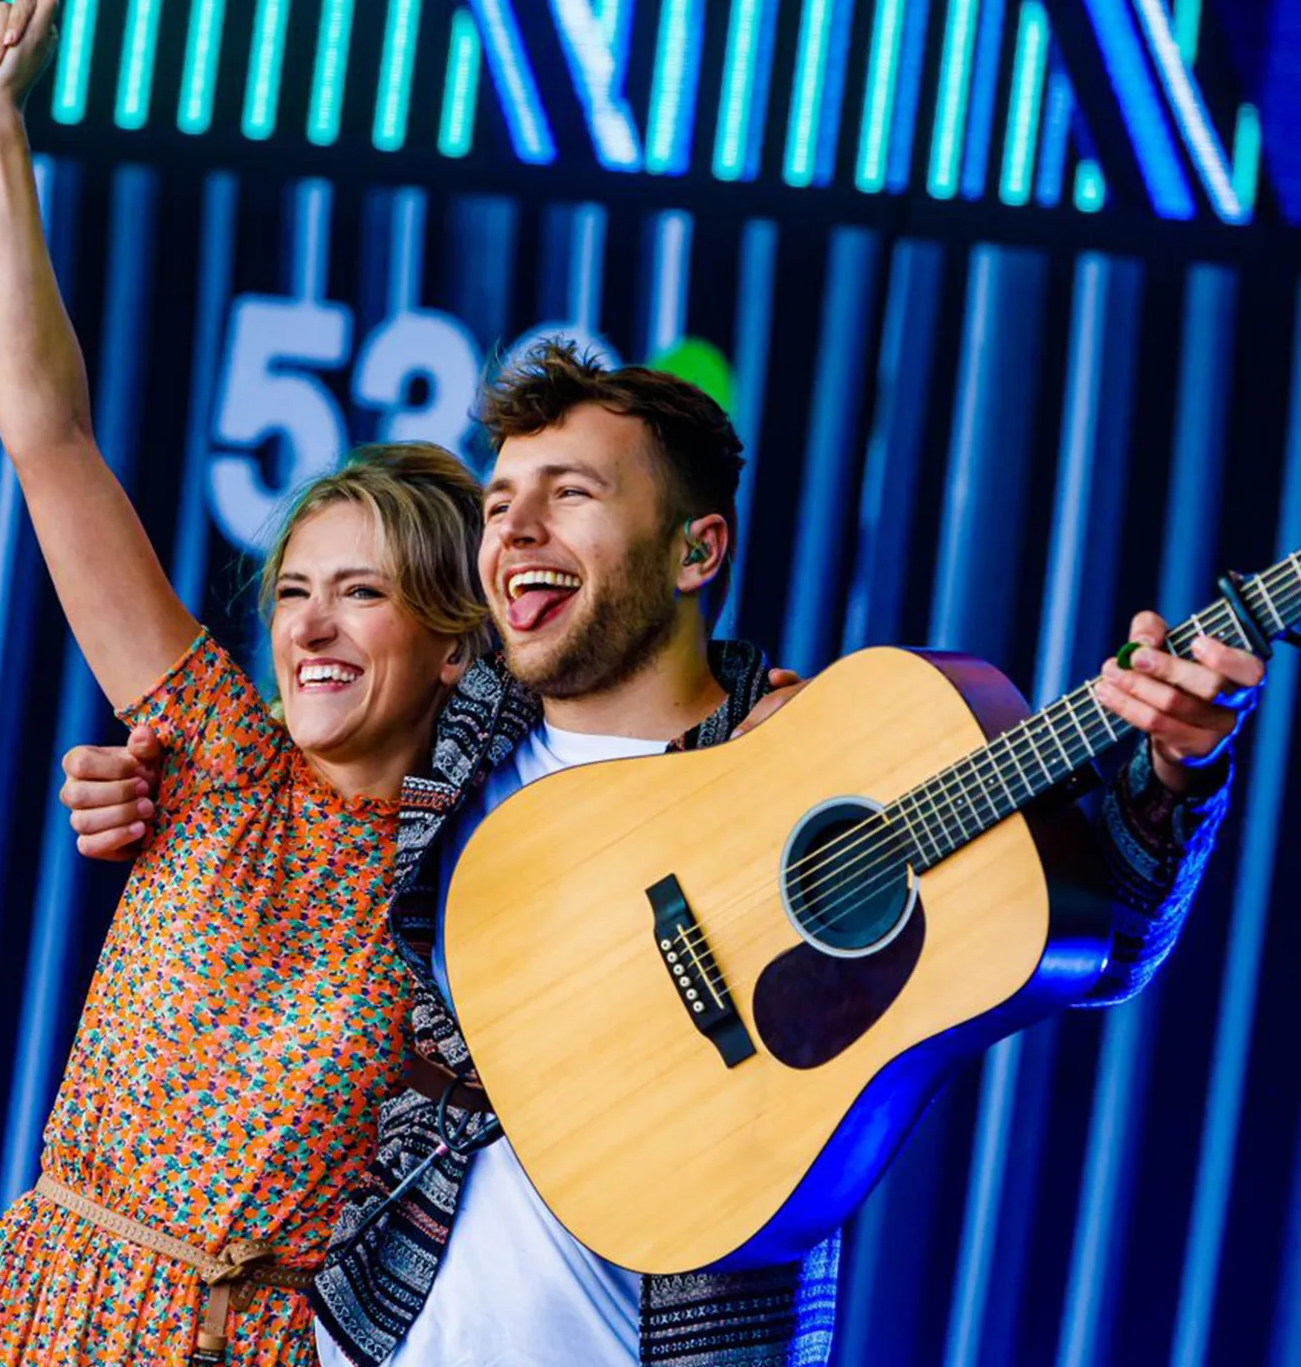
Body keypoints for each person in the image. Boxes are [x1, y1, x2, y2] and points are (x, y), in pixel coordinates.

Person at [63, 343, 1265, 1365]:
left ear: (697, 553)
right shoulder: (455, 739)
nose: (515, 530)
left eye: (570, 495)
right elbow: (306, 727)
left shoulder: (807, 757)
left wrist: (1177, 771)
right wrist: (155, 792)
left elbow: (1089, 926)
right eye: (499, 503)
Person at [0, 0, 493, 1367]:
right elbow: (48, 435)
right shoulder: (217, 759)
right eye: (294, 591)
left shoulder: (484, 877)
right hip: (52, 1306)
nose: (308, 627)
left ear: (452, 636)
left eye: (360, 594)